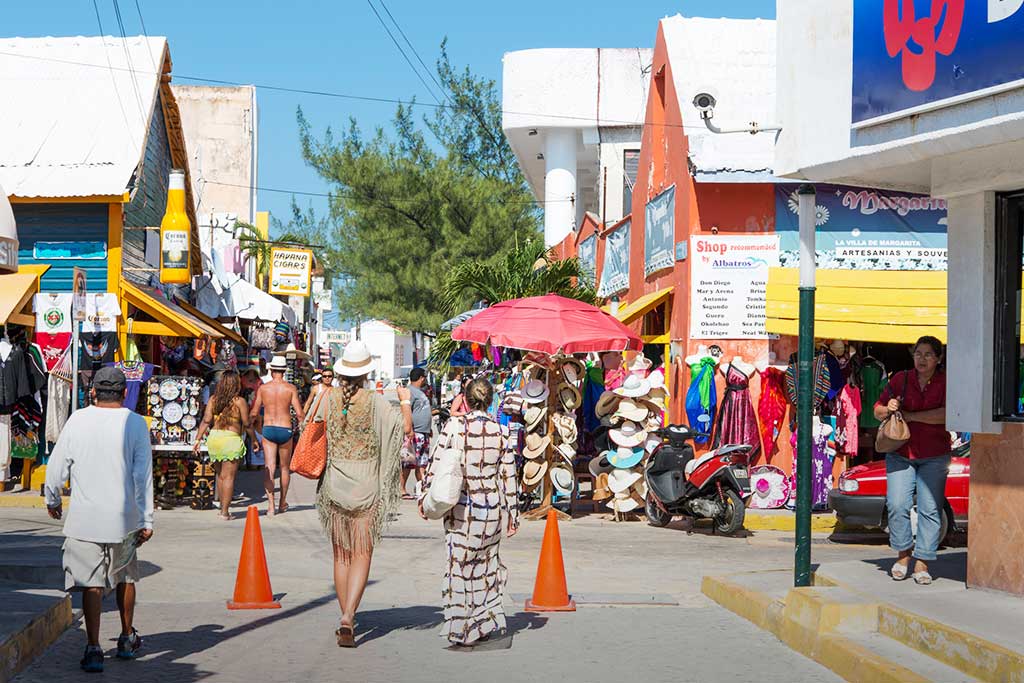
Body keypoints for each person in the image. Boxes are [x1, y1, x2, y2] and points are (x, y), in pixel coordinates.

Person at [44, 367, 154, 673]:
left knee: (91, 584)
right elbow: (142, 474)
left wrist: (52, 500)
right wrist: (147, 519)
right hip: (125, 519)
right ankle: (126, 638)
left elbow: (56, 466)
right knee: (126, 577)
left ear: (93, 392)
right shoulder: (135, 423)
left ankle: (93, 648)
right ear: (124, 394)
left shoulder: (77, 419)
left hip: (85, 519)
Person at [311, 340, 410, 648]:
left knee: (341, 555)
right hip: (366, 482)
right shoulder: (375, 400)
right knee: (362, 552)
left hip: (335, 484)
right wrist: (405, 401)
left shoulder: (329, 397)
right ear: (366, 372)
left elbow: (312, 427)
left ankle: (346, 615)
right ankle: (348, 616)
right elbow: (403, 429)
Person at [419, 377, 519, 647]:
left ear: (465, 398)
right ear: (491, 401)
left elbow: (436, 463)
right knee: (486, 567)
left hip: (462, 508)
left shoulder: (454, 426)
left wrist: (424, 497)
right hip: (492, 509)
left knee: (459, 567)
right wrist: (513, 514)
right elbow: (509, 476)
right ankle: (483, 622)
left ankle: (462, 627)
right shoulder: (501, 432)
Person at [873, 335, 950, 586]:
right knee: (896, 504)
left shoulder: (946, 381)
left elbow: (946, 416)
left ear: (938, 358)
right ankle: (903, 554)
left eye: (928, 354)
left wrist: (911, 416)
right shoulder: (900, 379)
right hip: (900, 453)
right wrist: (889, 409)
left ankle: (923, 561)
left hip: (935, 454)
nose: (922, 359)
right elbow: (877, 410)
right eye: (918, 353)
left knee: (930, 509)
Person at [193, 370, 255, 520]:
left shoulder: (214, 399)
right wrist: (254, 440)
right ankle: (225, 512)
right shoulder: (239, 401)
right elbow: (246, 423)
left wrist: (197, 439)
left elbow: (206, 420)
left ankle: (222, 508)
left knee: (220, 476)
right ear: (236, 384)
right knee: (229, 478)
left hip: (215, 439)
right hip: (231, 440)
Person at [251, 356, 304, 516]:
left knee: (270, 467)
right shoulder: (290, 389)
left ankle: (270, 506)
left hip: (268, 428)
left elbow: (254, 411)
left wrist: (252, 428)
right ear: (284, 370)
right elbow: (300, 414)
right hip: (285, 429)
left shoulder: (263, 388)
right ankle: (282, 503)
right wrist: (302, 428)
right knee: (285, 468)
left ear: (271, 370)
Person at [400, 367, 432, 499]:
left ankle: (422, 488)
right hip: (414, 433)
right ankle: (402, 489)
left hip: (423, 432)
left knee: (422, 463)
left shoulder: (420, 392)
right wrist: (410, 430)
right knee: (409, 462)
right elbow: (405, 411)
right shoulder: (409, 392)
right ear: (421, 378)